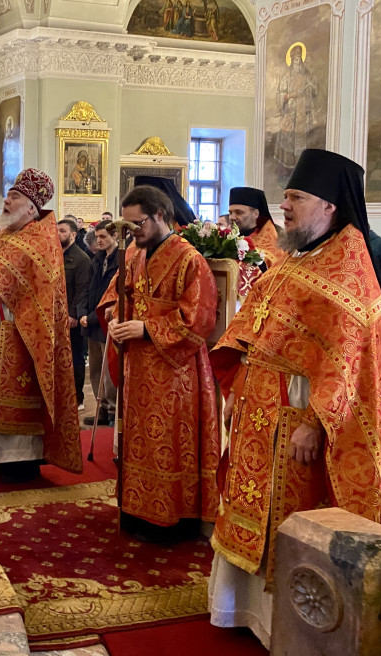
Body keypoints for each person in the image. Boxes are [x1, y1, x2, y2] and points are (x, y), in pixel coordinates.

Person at [209, 149, 381, 648]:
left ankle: (291, 621)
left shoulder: (348, 268)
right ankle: (241, 611)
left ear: (330, 207)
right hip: (259, 410)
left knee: (288, 518)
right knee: (248, 510)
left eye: (296, 197)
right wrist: (239, 388)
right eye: (286, 196)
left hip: (296, 422)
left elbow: (349, 362)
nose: (286, 205)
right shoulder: (297, 257)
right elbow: (256, 328)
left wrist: (314, 425)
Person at [99, 185, 220, 541]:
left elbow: (199, 317)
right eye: (128, 225)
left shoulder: (189, 260)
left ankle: (172, 518)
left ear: (161, 216)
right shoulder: (135, 254)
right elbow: (117, 293)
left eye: (137, 224)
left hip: (174, 370)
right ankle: (136, 508)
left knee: (168, 440)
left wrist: (147, 327)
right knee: (137, 439)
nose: (132, 233)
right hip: (137, 367)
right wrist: (113, 313)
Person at [0, 169, 82, 483]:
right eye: (8, 196)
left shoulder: (41, 240)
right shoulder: (3, 236)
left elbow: (41, 294)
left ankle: (15, 458)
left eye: (13, 198)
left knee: (9, 397)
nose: (6, 201)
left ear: (30, 207)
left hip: (18, 332)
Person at [81, 221, 119, 425]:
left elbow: (113, 296)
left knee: (108, 368)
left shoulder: (120, 260)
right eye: (97, 237)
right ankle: (101, 408)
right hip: (91, 321)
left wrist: (94, 316)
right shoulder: (97, 259)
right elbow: (87, 288)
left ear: (115, 236)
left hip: (106, 320)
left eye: (103, 236)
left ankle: (113, 410)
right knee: (95, 368)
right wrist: (83, 313)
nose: (99, 240)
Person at [57, 219, 91, 411]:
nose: (58, 234)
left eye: (62, 231)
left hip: (71, 318)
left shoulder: (81, 259)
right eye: (56, 230)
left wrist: (73, 314)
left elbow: (82, 290)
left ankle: (78, 397)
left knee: (75, 357)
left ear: (73, 235)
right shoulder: (53, 255)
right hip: (54, 315)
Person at [274, 45, 317, 176]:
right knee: (288, 139)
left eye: (299, 59)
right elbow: (280, 95)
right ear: (291, 60)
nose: (297, 62)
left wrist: (309, 89)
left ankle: (301, 171)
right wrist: (290, 95)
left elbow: (314, 91)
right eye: (295, 59)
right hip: (290, 112)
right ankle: (288, 171)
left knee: (302, 142)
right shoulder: (287, 76)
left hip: (303, 112)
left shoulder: (307, 75)